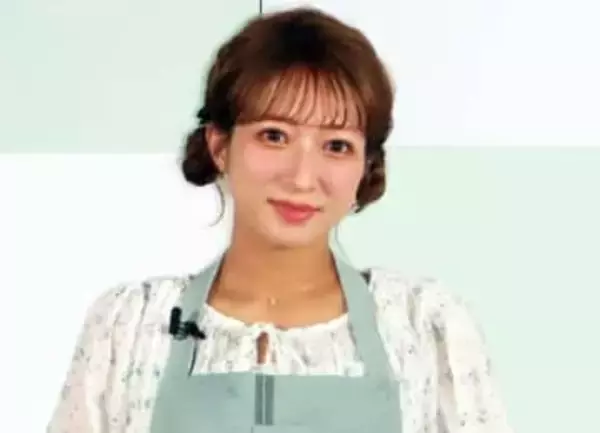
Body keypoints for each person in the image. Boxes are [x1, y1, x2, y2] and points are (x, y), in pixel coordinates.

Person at [47, 7, 512, 433]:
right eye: (274, 136)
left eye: (337, 146)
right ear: (219, 146)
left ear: (365, 166)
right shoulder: (131, 327)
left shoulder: (423, 327)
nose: (302, 177)